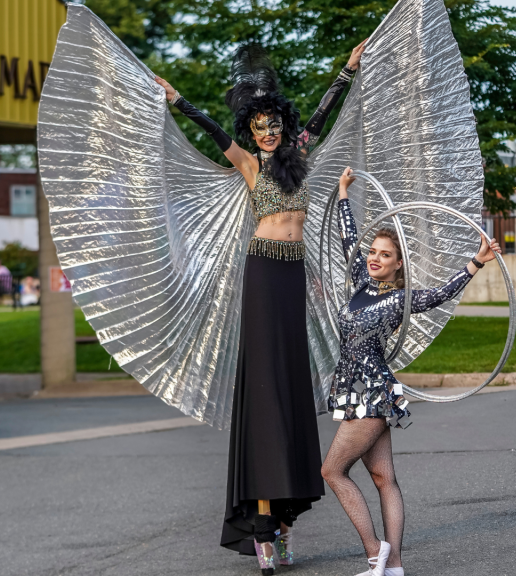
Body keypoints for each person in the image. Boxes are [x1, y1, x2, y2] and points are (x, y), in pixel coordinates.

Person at [154, 39, 367, 574]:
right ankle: (264, 527)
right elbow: (211, 130)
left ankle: (285, 520)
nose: (267, 132)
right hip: (263, 271)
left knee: (290, 387)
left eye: (273, 124)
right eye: (259, 126)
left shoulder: (299, 156)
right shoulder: (249, 164)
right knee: (266, 390)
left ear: (282, 124)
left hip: (293, 274)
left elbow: (322, 113)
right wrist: (178, 100)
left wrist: (346, 71)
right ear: (251, 131)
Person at [322, 167, 501, 576]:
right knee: (383, 477)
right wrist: (344, 194)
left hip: (371, 393)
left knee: (331, 470)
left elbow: (439, 294)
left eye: (385, 255)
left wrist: (476, 261)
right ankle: (395, 566)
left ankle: (376, 554)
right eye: (373, 252)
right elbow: (350, 239)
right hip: (359, 390)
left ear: (398, 263)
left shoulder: (400, 298)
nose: (375, 258)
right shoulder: (360, 282)